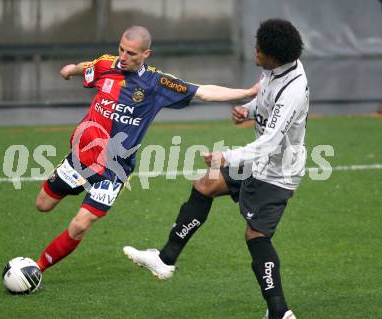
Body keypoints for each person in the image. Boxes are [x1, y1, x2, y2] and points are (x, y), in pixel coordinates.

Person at [33, 25, 258, 277]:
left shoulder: (156, 83)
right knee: (42, 204)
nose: (123, 57)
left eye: (131, 53)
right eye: (121, 49)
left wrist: (247, 93)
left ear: (146, 54)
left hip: (113, 172)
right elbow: (89, 66)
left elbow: (202, 91)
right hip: (80, 158)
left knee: (80, 224)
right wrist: (70, 70)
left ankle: (36, 268)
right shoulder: (107, 65)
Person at [124, 19, 308, 319]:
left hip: (277, 172)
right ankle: (166, 259)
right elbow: (265, 95)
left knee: (256, 236)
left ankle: (280, 311)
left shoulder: (294, 90)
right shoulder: (278, 67)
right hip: (257, 161)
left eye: (259, 49)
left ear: (274, 55)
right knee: (205, 184)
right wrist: (247, 110)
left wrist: (228, 157)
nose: (255, 51)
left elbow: (272, 141)